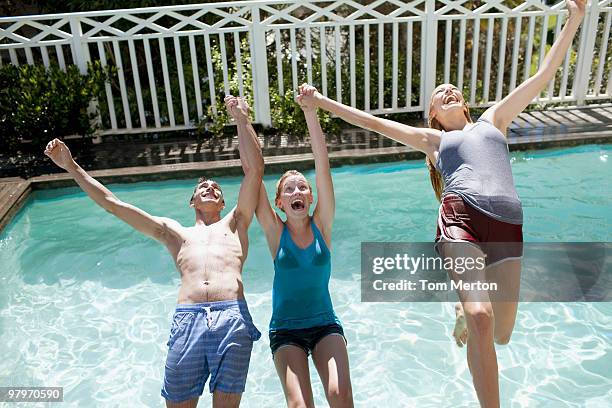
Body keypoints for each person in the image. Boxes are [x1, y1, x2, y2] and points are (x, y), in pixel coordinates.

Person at [297, 1, 585, 406]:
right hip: (459, 220)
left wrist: (575, 18)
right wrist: (321, 102)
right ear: (432, 113)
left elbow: (543, 75)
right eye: (438, 94)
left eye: (453, 90)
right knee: (483, 319)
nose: (447, 91)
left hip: (506, 227)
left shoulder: (494, 120)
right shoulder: (434, 142)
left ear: (465, 104)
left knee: (501, 333)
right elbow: (373, 122)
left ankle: (461, 310)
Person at [44, 95, 263, 408]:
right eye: (203, 188)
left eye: (216, 188)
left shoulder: (235, 223)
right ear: (193, 202)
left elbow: (254, 171)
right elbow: (113, 206)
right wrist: (71, 166)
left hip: (232, 315)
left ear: (224, 202)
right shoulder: (174, 233)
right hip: (188, 319)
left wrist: (242, 119)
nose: (210, 189)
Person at [254, 85, 353, 408]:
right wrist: (243, 123)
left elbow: (322, 164)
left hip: (325, 324)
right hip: (285, 331)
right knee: (300, 406)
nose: (298, 191)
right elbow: (252, 174)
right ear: (280, 202)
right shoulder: (274, 231)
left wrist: (311, 112)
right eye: (290, 189)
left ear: (310, 198)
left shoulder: (322, 224)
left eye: (303, 187)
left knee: (340, 396)